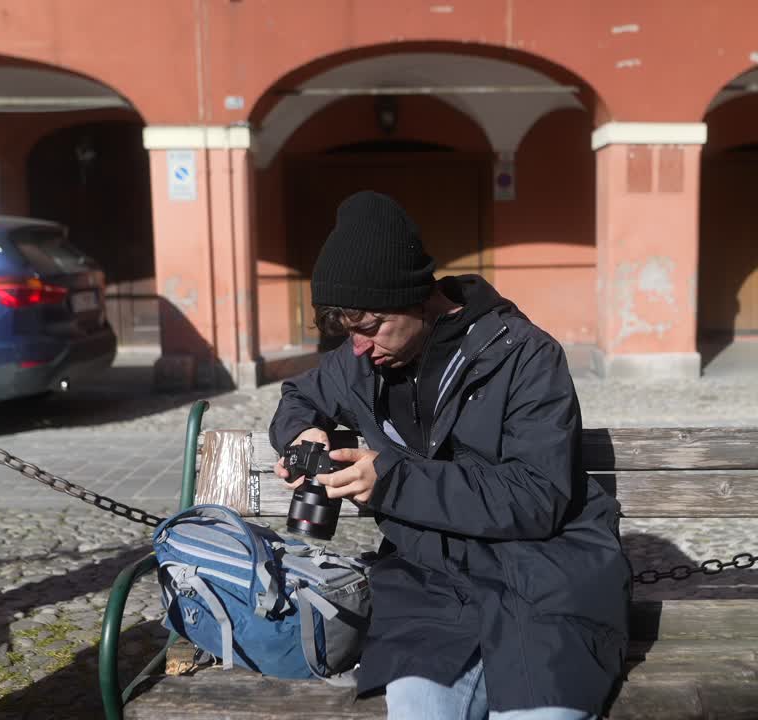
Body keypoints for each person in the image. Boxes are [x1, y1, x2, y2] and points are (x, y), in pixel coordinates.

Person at [269, 191, 630, 719]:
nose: (361, 347)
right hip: (430, 584)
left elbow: (537, 497)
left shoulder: (525, 355)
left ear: (418, 297)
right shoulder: (360, 361)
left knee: (540, 713)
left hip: (545, 578)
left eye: (370, 328)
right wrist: (303, 433)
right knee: (420, 711)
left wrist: (392, 483)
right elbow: (299, 396)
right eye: (350, 333)